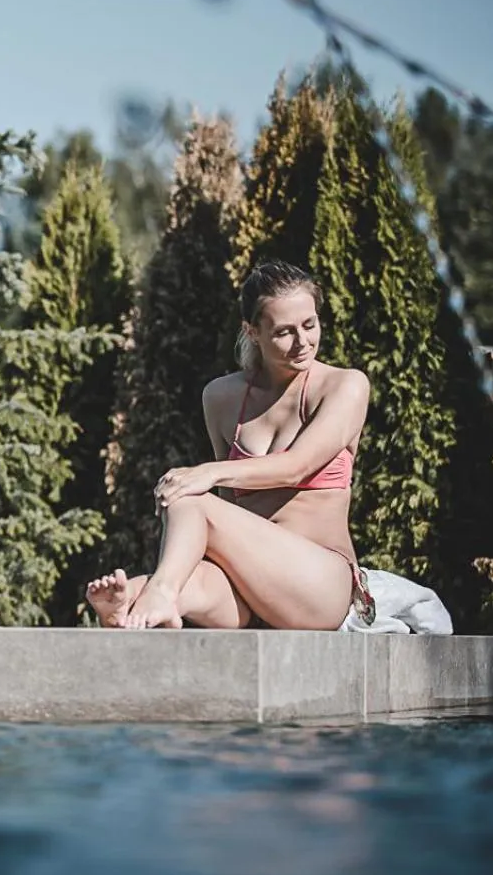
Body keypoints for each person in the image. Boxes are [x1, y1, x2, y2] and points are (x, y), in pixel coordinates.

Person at [86, 260, 374, 630]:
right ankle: (129, 605)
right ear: (252, 331)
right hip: (252, 585)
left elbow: (298, 466)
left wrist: (208, 473)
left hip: (321, 584)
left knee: (192, 497)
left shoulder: (345, 385)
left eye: (309, 324)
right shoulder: (221, 397)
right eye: (284, 332)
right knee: (191, 566)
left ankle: (158, 590)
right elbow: (229, 504)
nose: (302, 342)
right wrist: (200, 493)